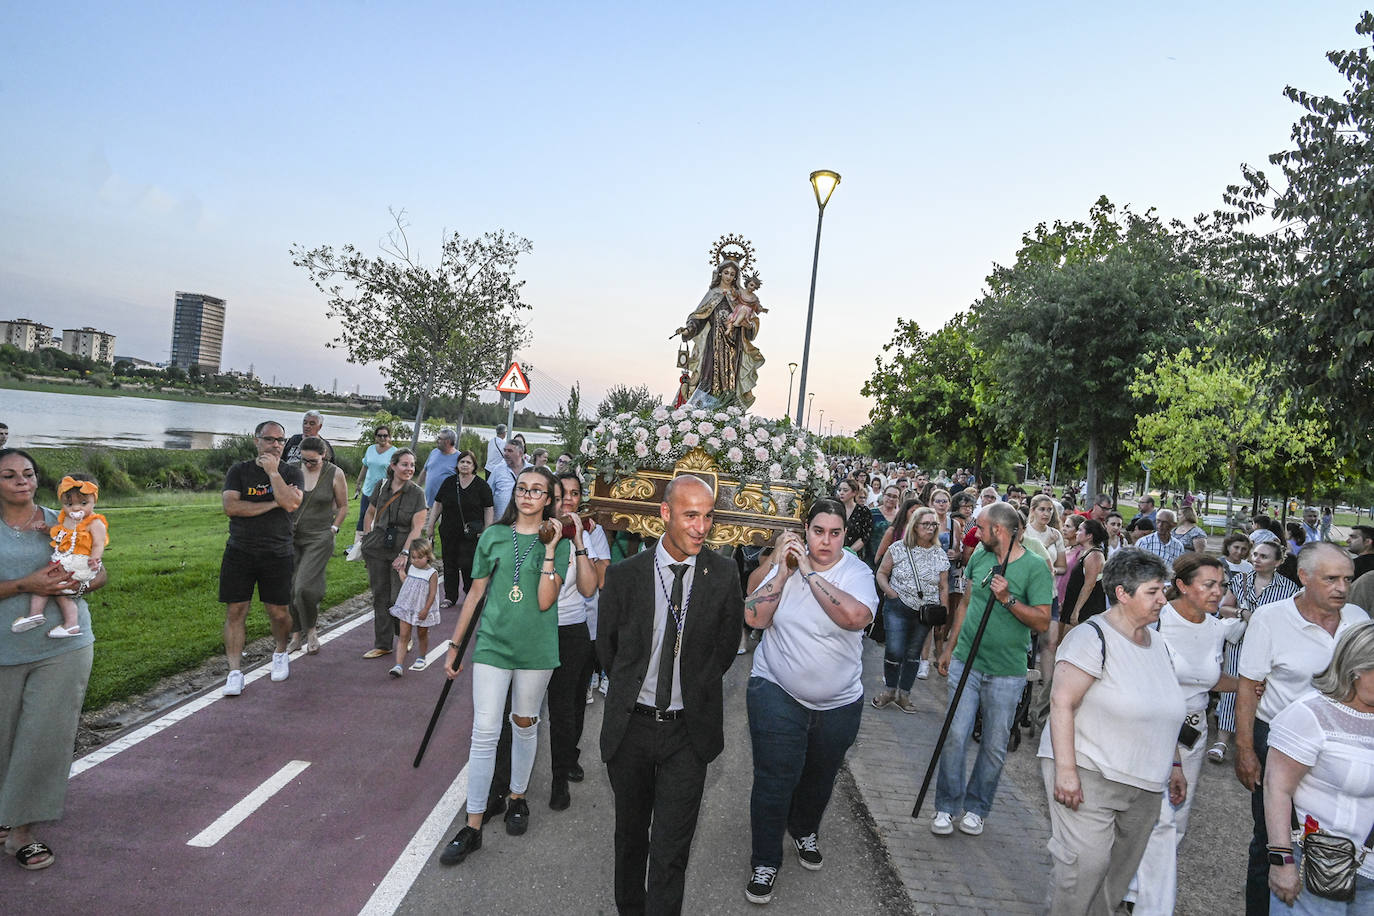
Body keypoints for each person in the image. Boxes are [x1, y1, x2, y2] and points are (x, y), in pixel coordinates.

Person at [595, 474, 745, 915]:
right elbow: (609, 651)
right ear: (665, 514)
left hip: (687, 734)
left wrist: (691, 690)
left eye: (708, 516)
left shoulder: (721, 575)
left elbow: (723, 650)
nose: (701, 527)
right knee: (631, 839)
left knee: (671, 849)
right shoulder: (625, 576)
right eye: (691, 515)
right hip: (632, 729)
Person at [741, 498, 879, 904]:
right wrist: (782, 573)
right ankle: (765, 859)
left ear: (844, 535)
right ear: (805, 529)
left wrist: (810, 574)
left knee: (819, 777)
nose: (826, 541)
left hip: (839, 702)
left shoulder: (857, 572)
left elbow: (854, 618)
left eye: (835, 533)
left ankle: (803, 829)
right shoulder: (784, 563)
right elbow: (753, 616)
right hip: (776, 690)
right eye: (818, 531)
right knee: (774, 779)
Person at [1040, 548, 1187, 915]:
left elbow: (1165, 710)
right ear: (1123, 593)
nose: (1162, 599)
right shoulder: (1092, 638)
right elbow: (1062, 703)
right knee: (1084, 866)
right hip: (1090, 772)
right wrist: (1066, 771)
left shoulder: (1161, 646)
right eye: (1152, 591)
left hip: (1146, 784)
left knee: (1117, 878)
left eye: (1163, 590)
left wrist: (1176, 764)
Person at [438, 467, 571, 866]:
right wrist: (455, 645)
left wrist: (549, 548)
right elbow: (475, 593)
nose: (528, 496)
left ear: (548, 498)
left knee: (525, 723)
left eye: (538, 491)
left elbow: (546, 600)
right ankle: (473, 823)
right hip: (493, 645)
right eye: (522, 489)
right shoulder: (494, 536)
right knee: (484, 730)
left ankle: (517, 797)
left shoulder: (560, 543)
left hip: (535, 648)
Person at [1236, 542, 1363, 915]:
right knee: (1273, 839)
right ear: (1304, 577)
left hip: (1341, 745)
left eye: (1347, 579)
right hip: (1278, 744)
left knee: (1331, 835)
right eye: (1332, 579)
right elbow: (1248, 683)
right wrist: (1244, 749)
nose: (1342, 587)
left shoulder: (1359, 620)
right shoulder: (1271, 618)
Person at [0, 449, 107, 872]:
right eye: (9, 476)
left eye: (27, 473)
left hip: (62, 649)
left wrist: (80, 585)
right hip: (4, 651)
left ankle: (22, 831)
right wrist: (26, 584)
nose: (21, 481)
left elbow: (99, 572)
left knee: (44, 738)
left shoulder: (64, 517)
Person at [1128, 553, 1246, 915]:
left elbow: (1207, 679)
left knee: (1176, 819)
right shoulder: (1157, 621)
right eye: (1208, 584)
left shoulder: (1214, 629)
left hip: (1193, 733)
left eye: (1221, 585)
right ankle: (1140, 896)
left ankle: (1140, 889)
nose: (1217, 592)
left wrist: (1250, 686)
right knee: (1153, 816)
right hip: (1153, 728)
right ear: (1181, 585)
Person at [934, 502, 1053, 837]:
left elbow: (1043, 620)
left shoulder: (1035, 568)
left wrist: (1009, 600)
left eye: (981, 527)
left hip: (1006, 671)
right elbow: (968, 603)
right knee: (955, 735)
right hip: (967, 662)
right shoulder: (981, 558)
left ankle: (976, 808)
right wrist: (950, 646)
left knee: (994, 743)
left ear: (999, 530)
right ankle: (946, 806)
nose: (976, 533)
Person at [1263, 621, 1374, 911]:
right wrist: (1281, 860)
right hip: (1315, 867)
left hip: (1369, 876)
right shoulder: (1311, 715)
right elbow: (1277, 789)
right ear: (1356, 669)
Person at [219, 421, 304, 695]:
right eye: (269, 440)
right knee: (236, 611)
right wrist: (272, 503)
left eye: (280, 440)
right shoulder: (239, 471)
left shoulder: (292, 472)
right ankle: (234, 671)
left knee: (278, 613)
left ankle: (280, 652)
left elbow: (291, 503)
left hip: (277, 552)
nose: (276, 445)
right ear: (257, 441)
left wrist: (273, 474)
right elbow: (231, 507)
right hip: (240, 550)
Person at [543, 471, 604, 811]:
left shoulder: (586, 534)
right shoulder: (537, 528)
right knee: (527, 710)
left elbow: (589, 586)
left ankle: (560, 775)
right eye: (562, 492)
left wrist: (580, 540)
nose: (568, 499)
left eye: (575, 493)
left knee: (568, 710)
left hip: (574, 628)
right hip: (539, 629)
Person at [1213, 539, 1301, 764]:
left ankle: (1253, 740)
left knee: (1262, 691)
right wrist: (1242, 612)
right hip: (1239, 643)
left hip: (1269, 648)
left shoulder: (1289, 588)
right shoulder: (1241, 580)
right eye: (1255, 555)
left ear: (1278, 562)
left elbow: (1291, 621)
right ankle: (1222, 740)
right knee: (1231, 689)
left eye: (1263, 556)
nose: (1256, 559)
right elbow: (1223, 607)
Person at [872, 506, 949, 714]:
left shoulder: (939, 553)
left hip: (926, 611)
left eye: (934, 524)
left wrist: (944, 612)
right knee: (895, 651)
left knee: (913, 654)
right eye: (926, 524)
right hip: (897, 606)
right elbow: (881, 573)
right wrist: (891, 593)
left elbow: (943, 586)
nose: (931, 528)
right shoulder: (898, 548)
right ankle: (889, 690)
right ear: (915, 526)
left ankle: (904, 694)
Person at [12, 474, 106, 639]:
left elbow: (98, 543)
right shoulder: (67, 520)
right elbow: (60, 533)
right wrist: (45, 529)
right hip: (66, 560)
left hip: (80, 562)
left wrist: (95, 558)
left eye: (83, 503)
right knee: (56, 589)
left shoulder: (94, 522)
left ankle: (41, 615)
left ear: (94, 501)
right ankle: (64, 622)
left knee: (48, 581)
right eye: (69, 504)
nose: (76, 508)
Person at [360, 449, 426, 659]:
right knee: (379, 595)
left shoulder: (417, 493)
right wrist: (367, 536)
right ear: (393, 465)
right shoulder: (381, 487)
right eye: (404, 464)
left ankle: (404, 636)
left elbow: (417, 528)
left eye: (412, 465)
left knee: (397, 597)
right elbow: (370, 511)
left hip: (402, 546)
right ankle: (383, 644)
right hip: (378, 546)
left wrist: (405, 553)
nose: (409, 469)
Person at [675, 259, 766, 409]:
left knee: (731, 378)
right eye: (726, 273)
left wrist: (748, 325)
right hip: (713, 342)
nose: (729, 277)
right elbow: (699, 318)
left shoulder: (738, 296)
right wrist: (688, 330)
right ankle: (704, 406)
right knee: (709, 375)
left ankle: (728, 408)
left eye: (732, 274)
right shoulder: (713, 294)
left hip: (734, 344)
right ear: (720, 274)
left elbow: (752, 320)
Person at [287, 438, 347, 655]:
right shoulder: (292, 470)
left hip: (320, 537)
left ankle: (310, 630)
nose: (308, 464)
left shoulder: (334, 473)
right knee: (291, 589)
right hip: (292, 537)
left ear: (324, 455)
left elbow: (343, 507)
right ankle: (295, 635)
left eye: (313, 461)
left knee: (303, 587)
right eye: (304, 460)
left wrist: (333, 530)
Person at [425, 450, 493, 608]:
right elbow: (438, 504)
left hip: (471, 534)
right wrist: (430, 525)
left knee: (468, 564)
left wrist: (487, 530)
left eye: (468, 462)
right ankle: (450, 596)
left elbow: (488, 508)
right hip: (449, 531)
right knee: (449, 563)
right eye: (462, 462)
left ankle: (470, 594)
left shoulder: (481, 486)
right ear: (457, 464)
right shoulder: (449, 482)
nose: (465, 465)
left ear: (474, 466)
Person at [387, 537, 440, 677]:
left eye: (419, 558)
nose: (415, 560)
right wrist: (401, 572)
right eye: (413, 557)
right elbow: (407, 582)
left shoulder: (431, 573)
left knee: (422, 634)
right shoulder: (412, 568)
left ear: (428, 556)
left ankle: (422, 656)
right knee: (404, 635)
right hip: (407, 606)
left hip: (422, 608)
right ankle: (398, 665)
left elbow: (433, 593)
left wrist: (426, 609)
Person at [348, 426, 396, 561]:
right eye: (379, 435)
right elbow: (365, 466)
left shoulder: (394, 452)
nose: (382, 438)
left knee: (380, 518)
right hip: (368, 489)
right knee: (363, 516)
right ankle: (358, 545)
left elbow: (396, 471)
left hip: (384, 490)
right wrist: (358, 482)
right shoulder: (370, 449)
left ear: (389, 437)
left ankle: (378, 544)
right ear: (375, 437)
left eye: (385, 435)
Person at [1063, 520, 1108, 626]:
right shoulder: (1085, 552)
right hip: (1072, 604)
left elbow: (1089, 585)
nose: (1076, 533)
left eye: (1079, 530)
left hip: (1085, 610)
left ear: (1089, 536)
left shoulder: (1095, 555)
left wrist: (1076, 611)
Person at [417, 428, 459, 507]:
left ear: (447, 441)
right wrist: (417, 489)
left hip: (446, 506)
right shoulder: (434, 452)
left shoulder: (459, 458)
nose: (437, 440)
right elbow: (424, 471)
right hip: (427, 503)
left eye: (439, 439)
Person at [1136, 509, 1186, 574]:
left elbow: (1179, 569)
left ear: (1174, 525)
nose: (1160, 525)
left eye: (1165, 522)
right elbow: (1135, 567)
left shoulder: (1178, 546)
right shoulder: (1144, 542)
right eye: (1158, 521)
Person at [490, 438, 526, 520]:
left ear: (520, 453)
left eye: (510, 451)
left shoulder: (531, 470)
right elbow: (488, 495)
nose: (505, 454)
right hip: (500, 522)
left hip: (523, 522)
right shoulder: (498, 470)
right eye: (505, 450)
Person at [835, 478, 871, 560]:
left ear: (854, 492)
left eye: (845, 490)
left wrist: (849, 552)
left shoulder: (863, 511)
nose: (841, 493)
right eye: (840, 490)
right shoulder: (834, 509)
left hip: (854, 555)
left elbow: (865, 536)